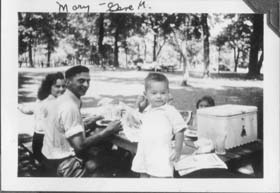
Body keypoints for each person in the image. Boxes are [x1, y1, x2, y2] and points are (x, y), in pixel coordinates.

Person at [41, 65, 122, 177]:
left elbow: (63, 126)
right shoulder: (70, 106)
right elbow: (79, 146)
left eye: (88, 81)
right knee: (118, 159)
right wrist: (107, 131)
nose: (86, 85)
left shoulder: (63, 98)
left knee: (105, 149)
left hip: (50, 156)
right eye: (81, 81)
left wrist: (87, 123)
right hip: (64, 163)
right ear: (68, 82)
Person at [131, 72, 186, 178]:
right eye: (154, 93)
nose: (159, 96)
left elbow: (180, 130)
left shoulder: (170, 110)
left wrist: (178, 150)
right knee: (143, 177)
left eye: (163, 93)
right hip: (145, 152)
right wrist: (139, 105)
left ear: (168, 93)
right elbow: (135, 119)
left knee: (159, 181)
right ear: (145, 94)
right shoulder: (147, 109)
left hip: (160, 154)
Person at [18, 72, 66, 162]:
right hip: (45, 144)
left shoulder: (42, 100)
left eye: (63, 86)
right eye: (57, 86)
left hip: (41, 141)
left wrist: (19, 107)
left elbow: (28, 110)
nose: (62, 89)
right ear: (49, 87)